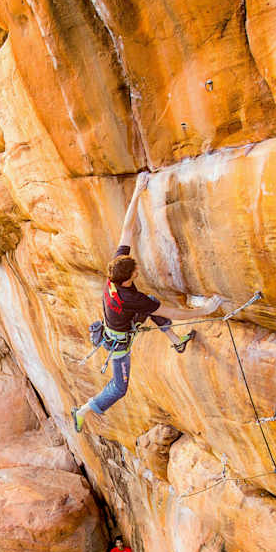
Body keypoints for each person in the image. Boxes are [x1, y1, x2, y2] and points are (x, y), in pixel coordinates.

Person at [71, 182, 223, 433]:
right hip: (118, 343)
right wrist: (205, 310)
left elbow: (127, 229)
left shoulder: (114, 272)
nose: (139, 268)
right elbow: (171, 312)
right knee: (120, 387)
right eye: (136, 270)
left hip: (120, 322)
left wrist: (136, 192)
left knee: (151, 303)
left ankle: (176, 341)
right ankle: (84, 410)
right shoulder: (130, 297)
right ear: (129, 278)